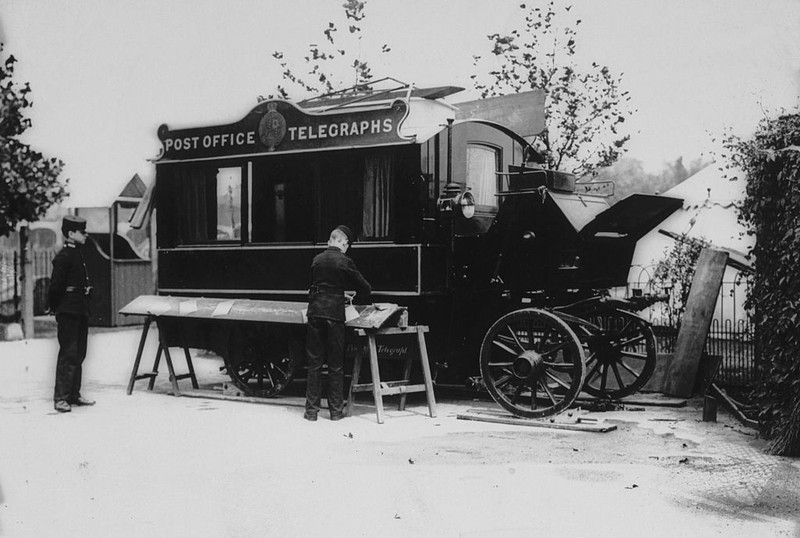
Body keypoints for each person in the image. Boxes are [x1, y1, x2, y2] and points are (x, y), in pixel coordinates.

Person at [304, 225, 371, 421]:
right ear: (343, 243)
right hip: (334, 315)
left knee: (315, 363)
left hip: (315, 313)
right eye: (347, 245)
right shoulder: (344, 261)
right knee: (335, 364)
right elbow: (365, 286)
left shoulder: (316, 260)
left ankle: (311, 412)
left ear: (330, 241)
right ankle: (335, 412)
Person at [49, 215, 95, 413]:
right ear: (70, 234)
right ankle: (61, 398)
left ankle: (74, 394)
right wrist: (54, 307)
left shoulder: (77, 253)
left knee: (80, 353)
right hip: (68, 310)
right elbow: (55, 287)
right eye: (81, 232)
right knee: (68, 353)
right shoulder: (64, 256)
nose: (85, 234)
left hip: (80, 309)